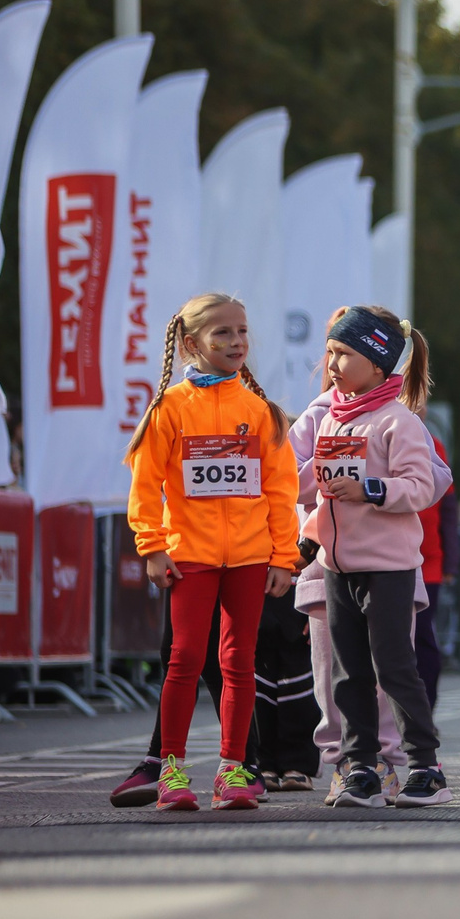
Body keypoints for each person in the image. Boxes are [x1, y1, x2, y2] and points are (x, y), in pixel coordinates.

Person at [123, 294, 299, 811]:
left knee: (239, 661)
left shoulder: (262, 412)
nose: (236, 342)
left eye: (242, 332)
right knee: (183, 658)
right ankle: (172, 771)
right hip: (189, 555)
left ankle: (232, 770)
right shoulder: (171, 408)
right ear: (191, 342)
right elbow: (145, 482)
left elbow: (281, 491)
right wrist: (152, 547)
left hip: (249, 557)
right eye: (222, 333)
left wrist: (284, 557)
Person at [302, 306, 450, 808]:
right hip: (335, 566)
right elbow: (302, 481)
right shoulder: (328, 419)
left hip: (388, 567)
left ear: (378, 363)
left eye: (345, 354)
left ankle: (426, 769)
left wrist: (369, 488)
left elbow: (420, 485)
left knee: (394, 667)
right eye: (331, 353)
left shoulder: (398, 421)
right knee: (348, 673)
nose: (333, 363)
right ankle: (359, 766)